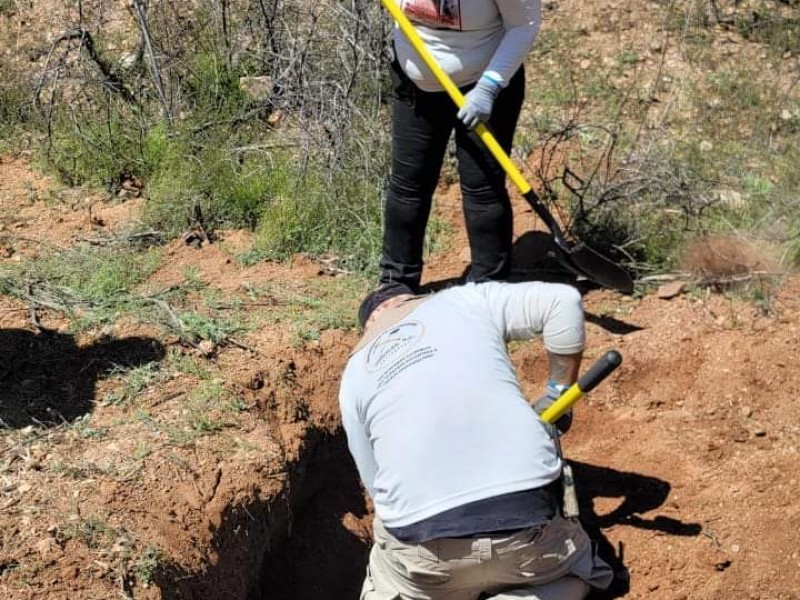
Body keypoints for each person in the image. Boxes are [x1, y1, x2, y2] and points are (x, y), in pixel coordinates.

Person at [338, 280, 613, 600]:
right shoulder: (464, 300)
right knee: (577, 575)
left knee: (388, 583)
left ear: (370, 324)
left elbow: (377, 493)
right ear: (416, 300)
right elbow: (563, 300)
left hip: (427, 558)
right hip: (526, 532)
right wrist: (557, 394)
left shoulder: (354, 375)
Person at [380, 0, 543, 292]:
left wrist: (489, 86)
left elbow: (523, 25)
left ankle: (489, 285)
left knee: (483, 187)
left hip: (485, 82)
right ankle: (396, 284)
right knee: (408, 185)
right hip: (416, 85)